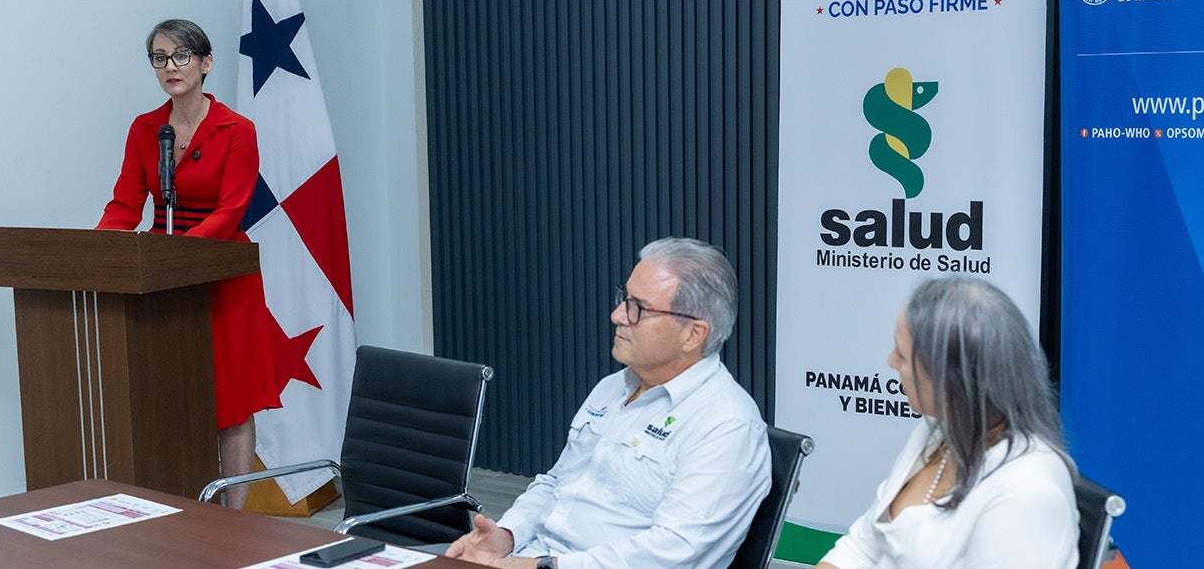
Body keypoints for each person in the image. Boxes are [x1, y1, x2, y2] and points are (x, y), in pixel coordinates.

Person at [447, 237, 771, 568]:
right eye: (624, 298)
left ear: (693, 334)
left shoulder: (726, 425)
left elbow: (673, 553)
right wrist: (508, 535)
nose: (617, 314)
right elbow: (557, 483)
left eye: (639, 308)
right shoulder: (613, 386)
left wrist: (546, 567)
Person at [96, 19, 279, 510]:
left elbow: (231, 210)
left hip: (219, 270)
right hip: (161, 273)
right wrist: (95, 252)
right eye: (159, 57)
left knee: (231, 401)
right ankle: (180, 515)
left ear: (205, 62)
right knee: (170, 391)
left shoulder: (238, 130)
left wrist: (176, 257)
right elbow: (124, 205)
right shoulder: (144, 128)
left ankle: (234, 519)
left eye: (180, 56)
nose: (170, 67)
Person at [817, 276, 1078, 569]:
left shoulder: (1028, 492)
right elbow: (861, 549)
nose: (891, 362)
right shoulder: (936, 434)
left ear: (950, 378)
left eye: (902, 356)